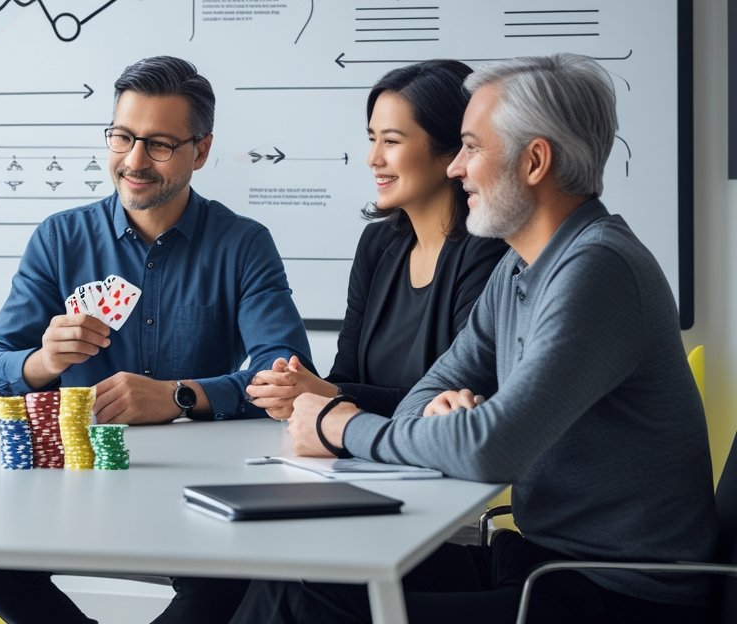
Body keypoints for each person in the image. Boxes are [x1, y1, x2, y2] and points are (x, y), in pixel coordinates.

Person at [230, 53, 717, 623]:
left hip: (614, 596)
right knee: (303, 575)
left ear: (535, 161)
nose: (456, 168)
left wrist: (339, 423)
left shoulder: (598, 269)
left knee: (306, 603)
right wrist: (442, 422)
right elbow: (424, 396)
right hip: (539, 564)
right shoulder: (519, 265)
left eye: (472, 146)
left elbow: (489, 448)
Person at [0, 55, 312, 624]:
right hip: (77, 486)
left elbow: (285, 377)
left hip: (197, 488)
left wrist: (178, 395)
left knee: (242, 575)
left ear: (200, 151)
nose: (133, 161)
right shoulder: (59, 239)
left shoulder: (244, 244)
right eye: (122, 136)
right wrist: (43, 361)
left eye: (158, 145)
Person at [246, 60, 506, 420]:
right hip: (358, 459)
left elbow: (459, 402)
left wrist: (328, 394)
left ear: (452, 149)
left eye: (391, 141)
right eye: (372, 139)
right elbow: (345, 378)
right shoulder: (377, 243)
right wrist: (295, 391)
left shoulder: (491, 251)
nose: (373, 158)